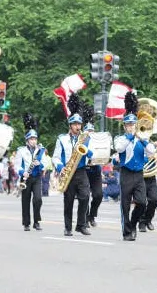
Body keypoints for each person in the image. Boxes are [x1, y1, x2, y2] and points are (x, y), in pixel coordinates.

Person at [53, 95, 95, 237]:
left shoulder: (85, 138)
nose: (78, 127)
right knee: (69, 201)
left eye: (79, 124)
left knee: (85, 197)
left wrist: (86, 148)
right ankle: (68, 227)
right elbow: (56, 157)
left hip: (81, 171)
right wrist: (60, 168)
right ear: (70, 125)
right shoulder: (62, 139)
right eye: (75, 124)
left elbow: (92, 155)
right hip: (68, 171)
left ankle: (81, 225)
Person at [114, 92, 151, 241]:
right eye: (128, 125)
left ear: (137, 125)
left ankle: (133, 223)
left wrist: (143, 140)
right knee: (125, 205)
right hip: (126, 174)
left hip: (139, 174)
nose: (131, 127)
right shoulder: (121, 138)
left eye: (133, 125)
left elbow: (152, 152)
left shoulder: (143, 138)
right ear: (124, 126)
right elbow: (119, 148)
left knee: (142, 203)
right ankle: (126, 232)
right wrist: (130, 136)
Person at [15, 114, 48, 231]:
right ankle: (26, 223)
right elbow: (17, 166)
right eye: (31, 139)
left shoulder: (41, 150)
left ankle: (37, 221)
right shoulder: (21, 151)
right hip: (26, 178)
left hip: (37, 177)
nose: (34, 141)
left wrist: (41, 165)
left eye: (35, 139)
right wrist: (22, 172)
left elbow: (45, 164)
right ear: (27, 140)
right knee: (26, 200)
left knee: (38, 199)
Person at [84, 120, 104, 228]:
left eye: (92, 131)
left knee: (98, 195)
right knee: (85, 195)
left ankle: (92, 215)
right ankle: (85, 218)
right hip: (85, 170)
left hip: (96, 170)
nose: (90, 133)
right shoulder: (81, 142)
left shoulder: (98, 142)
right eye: (88, 131)